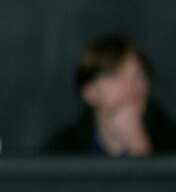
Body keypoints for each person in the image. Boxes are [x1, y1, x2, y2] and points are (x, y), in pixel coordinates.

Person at [43, 33, 176, 155]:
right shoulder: (64, 149)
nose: (132, 86)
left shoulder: (169, 138)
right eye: (115, 77)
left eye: (139, 75)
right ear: (89, 92)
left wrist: (139, 145)